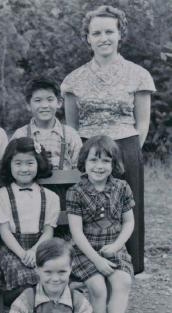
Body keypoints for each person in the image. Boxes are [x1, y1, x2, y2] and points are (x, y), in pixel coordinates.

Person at [61, 5, 156, 273]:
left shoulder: (138, 75)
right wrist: (84, 155)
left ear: (119, 34)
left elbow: (143, 121)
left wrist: (130, 151)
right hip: (88, 149)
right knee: (88, 207)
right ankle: (88, 266)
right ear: (88, 38)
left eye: (109, 32)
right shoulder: (73, 79)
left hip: (125, 146)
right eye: (97, 33)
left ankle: (128, 268)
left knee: (125, 207)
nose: (104, 38)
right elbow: (72, 124)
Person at [66, 135, 135, 313]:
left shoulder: (121, 187)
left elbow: (128, 223)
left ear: (114, 165)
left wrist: (115, 247)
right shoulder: (76, 191)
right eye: (94, 160)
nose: (99, 166)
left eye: (106, 161)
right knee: (97, 286)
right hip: (86, 252)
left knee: (122, 280)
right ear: (84, 162)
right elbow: (76, 233)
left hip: (113, 248)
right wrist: (97, 259)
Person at [0, 137, 60, 313]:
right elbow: (4, 231)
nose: (24, 169)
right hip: (11, 247)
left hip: (40, 246)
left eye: (30, 163)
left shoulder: (50, 197)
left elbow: (48, 231)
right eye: (18, 163)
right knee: (23, 276)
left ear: (38, 164)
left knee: (46, 274)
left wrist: (34, 251)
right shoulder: (1, 196)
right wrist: (23, 253)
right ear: (9, 165)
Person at [11, 77, 82, 170]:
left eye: (50, 99)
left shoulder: (70, 135)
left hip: (65, 184)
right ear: (28, 105)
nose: (44, 105)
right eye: (38, 100)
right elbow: (11, 166)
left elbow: (80, 168)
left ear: (59, 103)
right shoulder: (20, 135)